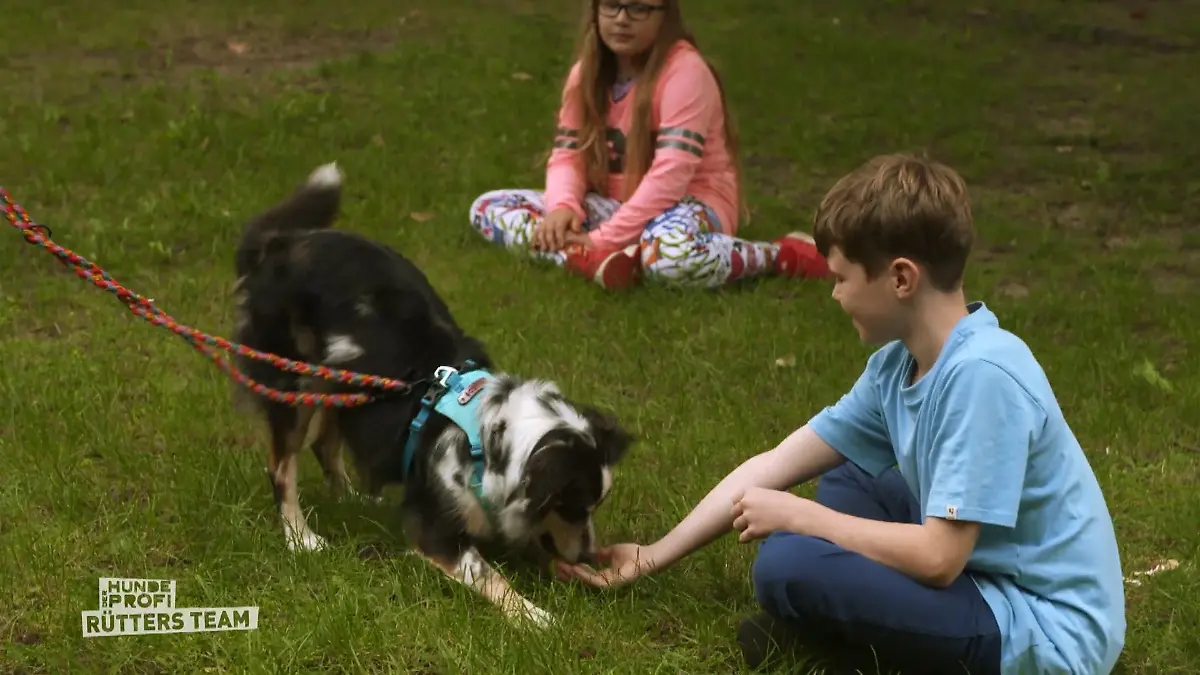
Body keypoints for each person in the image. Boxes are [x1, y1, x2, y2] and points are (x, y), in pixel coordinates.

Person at [557, 154, 1127, 674]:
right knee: (856, 472)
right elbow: (777, 464)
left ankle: (843, 649)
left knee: (786, 564)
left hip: (1044, 633)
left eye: (841, 279)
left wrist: (803, 520)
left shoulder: (983, 376)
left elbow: (939, 560)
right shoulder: (897, 367)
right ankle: (851, 639)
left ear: (901, 278)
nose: (833, 296)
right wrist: (653, 555)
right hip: (983, 574)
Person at [467, 0, 831, 290]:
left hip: (688, 205)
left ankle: (779, 255)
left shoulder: (686, 73)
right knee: (488, 207)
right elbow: (568, 154)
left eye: (639, 8)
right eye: (611, 5)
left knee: (669, 258)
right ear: (595, 11)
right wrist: (562, 209)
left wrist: (603, 238)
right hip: (615, 205)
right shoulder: (586, 73)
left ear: (664, 14)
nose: (622, 18)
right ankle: (590, 259)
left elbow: (671, 177)